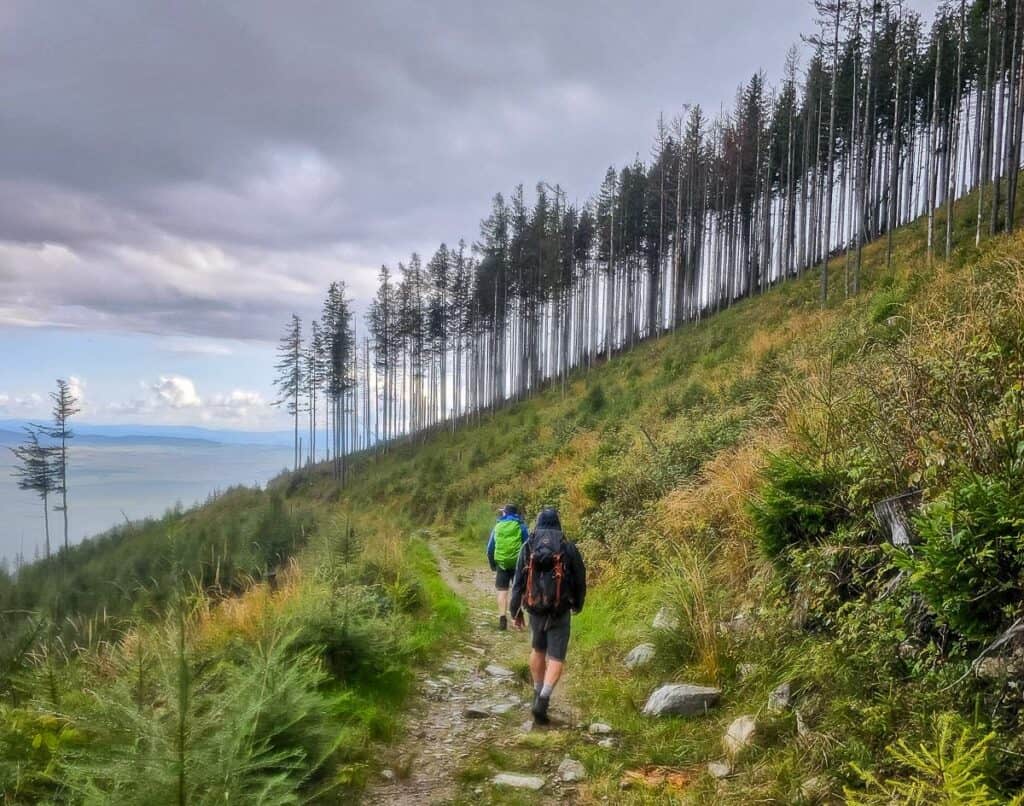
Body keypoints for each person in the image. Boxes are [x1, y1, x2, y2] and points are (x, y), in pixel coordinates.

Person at [509, 507, 586, 725]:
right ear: (558, 524)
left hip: (535, 610)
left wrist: (515, 611)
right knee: (556, 657)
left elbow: (518, 582)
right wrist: (578, 604)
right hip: (560, 610)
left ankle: (536, 691)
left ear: (538, 524)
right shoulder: (568, 547)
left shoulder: (528, 546)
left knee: (538, 650)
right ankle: (543, 699)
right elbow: (580, 578)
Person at [486, 503, 529, 630]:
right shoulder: (521, 526)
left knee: (502, 591)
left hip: (502, 564)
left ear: (505, 513)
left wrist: (493, 564)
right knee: (518, 592)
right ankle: (517, 618)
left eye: (503, 512)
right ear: (516, 513)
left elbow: (489, 549)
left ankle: (502, 619)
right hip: (518, 564)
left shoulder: (497, 526)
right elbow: (528, 546)